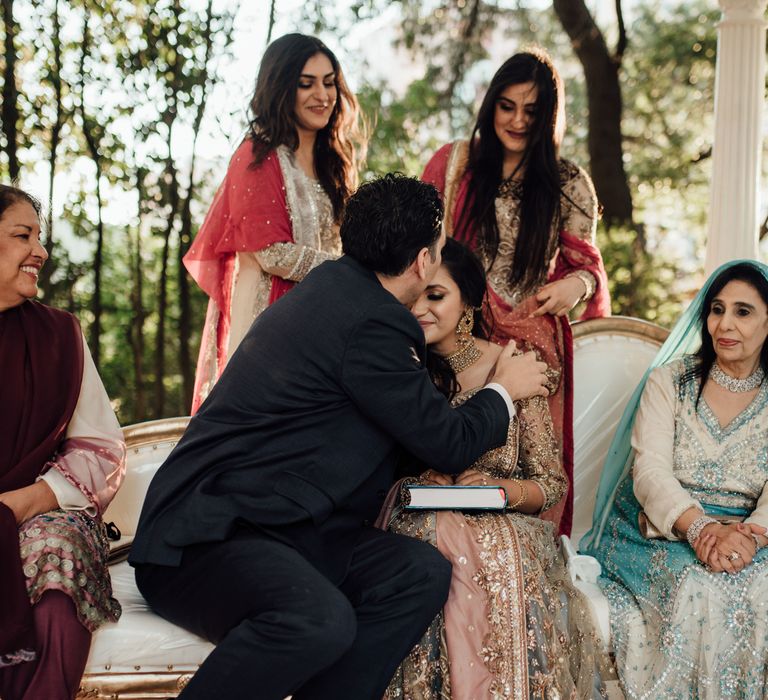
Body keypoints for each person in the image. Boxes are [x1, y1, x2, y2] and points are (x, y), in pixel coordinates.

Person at [129, 174, 550, 700]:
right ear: (422, 260)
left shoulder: (340, 292)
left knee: (417, 573)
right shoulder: (371, 322)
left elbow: (391, 433)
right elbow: (449, 442)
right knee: (318, 620)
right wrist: (504, 390)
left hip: (290, 529)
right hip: (207, 538)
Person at [382, 239, 608, 699]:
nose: (420, 308)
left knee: (493, 545)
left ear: (471, 300)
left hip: (507, 524)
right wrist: (417, 480)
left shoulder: (516, 368)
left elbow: (550, 483)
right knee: (438, 538)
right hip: (420, 520)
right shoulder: (396, 371)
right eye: (414, 296)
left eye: (436, 296)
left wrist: (501, 489)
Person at [422, 48, 610, 534]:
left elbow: (588, 268)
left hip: (529, 334)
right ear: (491, 105)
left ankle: (524, 534)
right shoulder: (456, 165)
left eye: (532, 110)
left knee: (527, 462)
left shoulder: (568, 184)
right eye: (508, 106)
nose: (518, 120)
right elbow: (417, 248)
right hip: (453, 325)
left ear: (550, 116)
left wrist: (575, 283)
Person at [581, 260, 768, 699]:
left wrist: (749, 538)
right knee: (699, 585)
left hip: (747, 535)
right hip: (660, 531)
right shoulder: (670, 382)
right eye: (717, 309)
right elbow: (650, 473)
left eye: (743, 312)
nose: (725, 323)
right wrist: (701, 528)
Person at [184, 32, 366, 412]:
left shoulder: (334, 162)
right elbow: (271, 253)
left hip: (327, 318)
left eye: (330, 82)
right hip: (270, 324)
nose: (323, 95)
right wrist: (355, 270)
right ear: (282, 86)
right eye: (307, 83)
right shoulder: (258, 153)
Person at [0, 185, 125, 700]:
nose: (41, 251)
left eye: (41, 236)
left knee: (58, 550)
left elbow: (101, 449)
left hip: (34, 511)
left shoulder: (60, 335)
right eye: (22, 235)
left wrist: (25, 502)